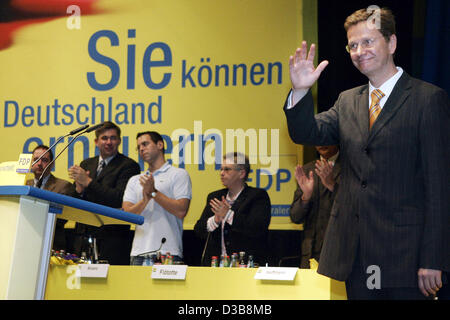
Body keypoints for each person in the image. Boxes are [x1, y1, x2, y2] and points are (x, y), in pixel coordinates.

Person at [283, 7, 450, 299]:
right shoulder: (348, 101)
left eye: (368, 41)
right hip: (356, 256)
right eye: (353, 45)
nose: (359, 51)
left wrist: (433, 258)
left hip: (406, 259)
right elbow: (307, 133)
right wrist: (299, 92)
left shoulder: (428, 100)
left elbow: (439, 188)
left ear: (392, 43)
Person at [68, 121, 141, 265]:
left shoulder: (129, 166)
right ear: (96, 141)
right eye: (104, 138)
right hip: (84, 236)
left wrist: (89, 182)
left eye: (113, 138)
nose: (109, 142)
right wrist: (79, 190)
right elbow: (74, 201)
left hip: (113, 239)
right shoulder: (86, 164)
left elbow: (119, 199)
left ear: (119, 140)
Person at [122, 131, 192, 265]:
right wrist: (145, 199)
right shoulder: (135, 180)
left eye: (145, 144)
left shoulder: (178, 174)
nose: (141, 149)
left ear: (160, 145)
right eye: (139, 147)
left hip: (168, 252)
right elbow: (126, 215)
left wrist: (154, 192)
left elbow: (181, 210)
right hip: (138, 253)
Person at [194, 152, 271, 266]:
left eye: (227, 169)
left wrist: (228, 214)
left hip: (244, 265)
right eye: (221, 169)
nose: (221, 173)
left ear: (241, 173)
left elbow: (257, 228)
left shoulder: (257, 196)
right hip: (215, 266)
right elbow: (199, 230)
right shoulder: (215, 197)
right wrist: (215, 220)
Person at [290, 145, 340, 269]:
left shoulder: (351, 167)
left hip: (339, 252)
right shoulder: (308, 169)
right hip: (310, 254)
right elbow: (295, 216)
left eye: (325, 138)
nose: (322, 143)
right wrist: (305, 197)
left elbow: (355, 208)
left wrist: (333, 186)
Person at [26, 144, 74, 250]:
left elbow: (61, 219)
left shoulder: (63, 186)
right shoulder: (23, 185)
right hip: (25, 240)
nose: (39, 164)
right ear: (30, 163)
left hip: (51, 242)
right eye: (36, 159)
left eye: (44, 160)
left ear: (51, 164)